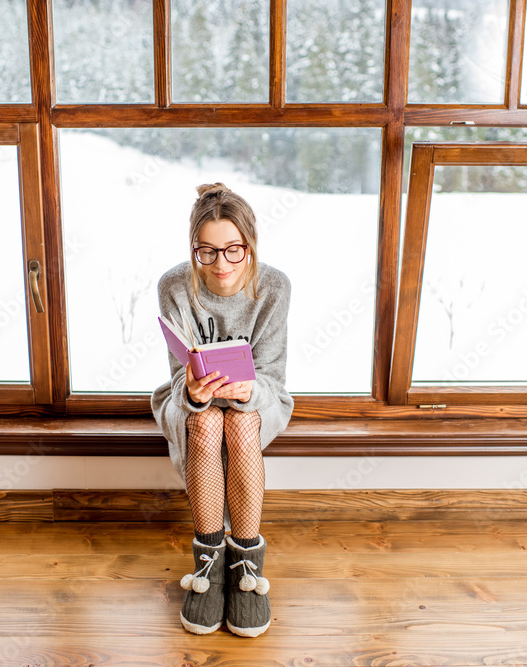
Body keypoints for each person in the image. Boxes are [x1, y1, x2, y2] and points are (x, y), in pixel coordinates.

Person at [151, 182, 293, 637]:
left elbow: (273, 376)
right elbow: (178, 375)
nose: (221, 266)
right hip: (194, 402)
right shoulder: (175, 286)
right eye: (207, 252)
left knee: (240, 423)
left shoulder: (273, 287)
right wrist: (193, 392)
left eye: (234, 250)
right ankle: (209, 565)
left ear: (250, 246)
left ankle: (246, 566)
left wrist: (248, 390)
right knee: (208, 420)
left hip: (258, 401)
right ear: (193, 249)